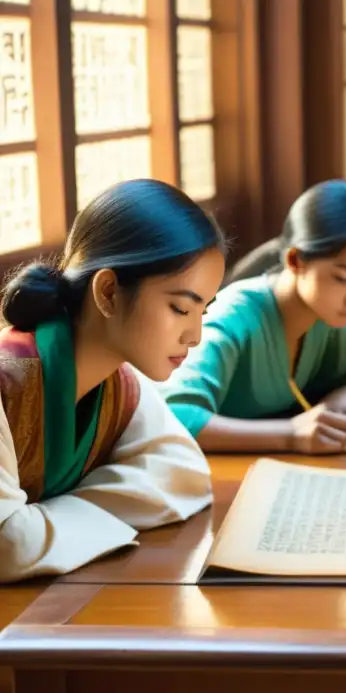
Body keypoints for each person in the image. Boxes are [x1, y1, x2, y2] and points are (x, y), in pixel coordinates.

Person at [0, 178, 225, 583]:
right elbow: (8, 545)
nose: (194, 337)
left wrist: (45, 521)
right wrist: (105, 516)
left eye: (202, 312)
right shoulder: (8, 380)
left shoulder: (120, 384)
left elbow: (186, 473)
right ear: (108, 292)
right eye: (179, 308)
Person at [160, 180, 346, 453]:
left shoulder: (327, 316)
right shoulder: (235, 315)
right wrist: (290, 433)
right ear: (295, 261)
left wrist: (327, 412)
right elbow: (176, 416)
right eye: (343, 278)